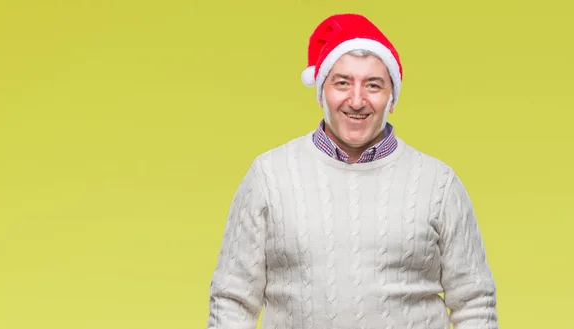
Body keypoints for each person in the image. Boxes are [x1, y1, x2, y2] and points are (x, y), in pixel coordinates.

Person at [205, 13, 498, 329]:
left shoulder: (438, 184)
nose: (356, 100)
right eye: (342, 83)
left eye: (373, 85)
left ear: (392, 98)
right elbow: (232, 300)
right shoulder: (269, 176)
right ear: (321, 92)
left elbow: (474, 304)